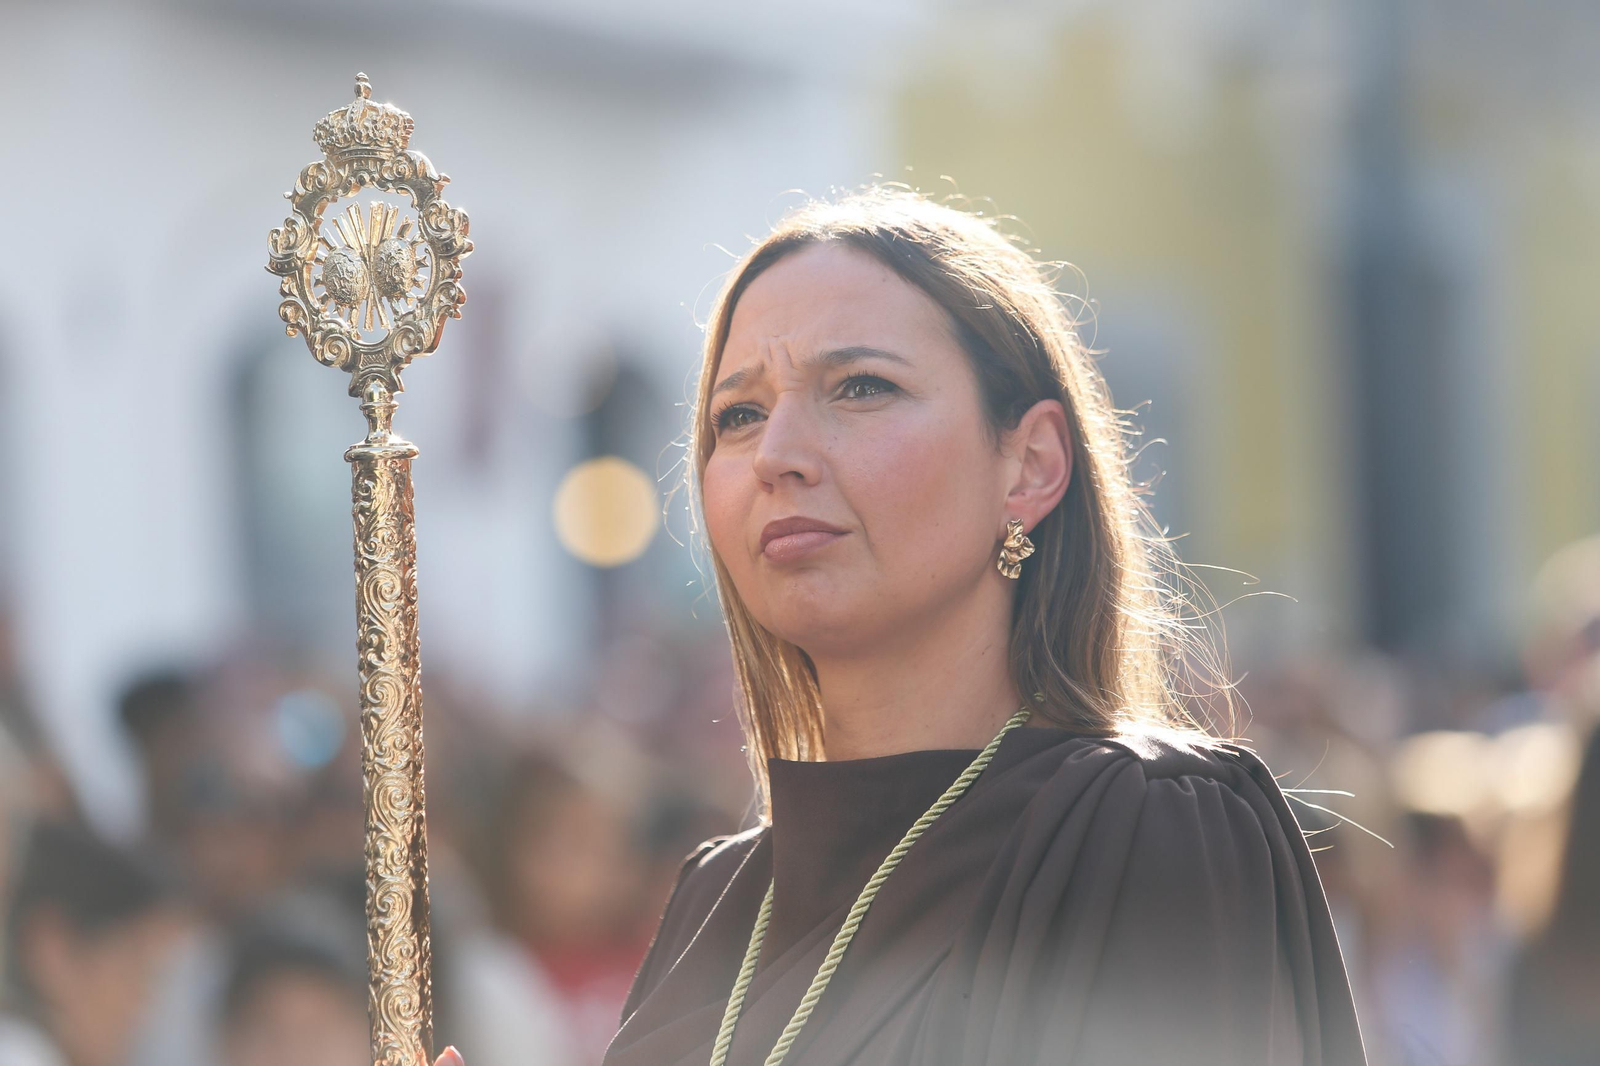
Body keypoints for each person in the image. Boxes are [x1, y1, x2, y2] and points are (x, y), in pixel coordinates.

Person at [436, 185, 1369, 1065]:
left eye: (861, 388)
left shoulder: (1146, 826)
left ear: (1031, 465)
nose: (777, 455)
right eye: (739, 414)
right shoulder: (716, 901)